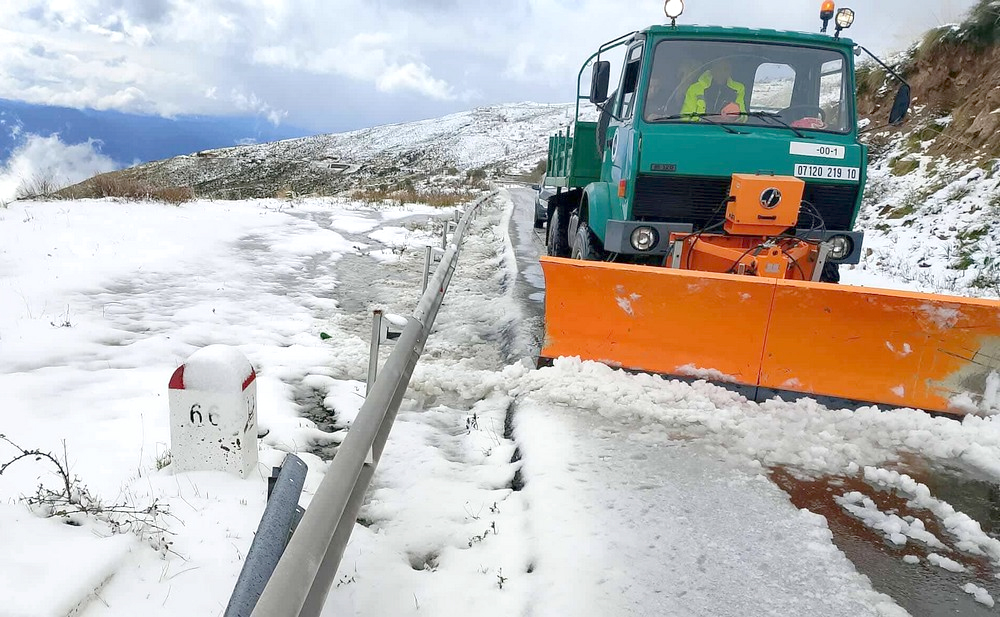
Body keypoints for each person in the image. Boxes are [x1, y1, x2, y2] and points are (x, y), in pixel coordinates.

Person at [680, 60, 746, 120]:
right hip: (699, 130)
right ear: (712, 70)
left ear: (730, 71)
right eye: (718, 68)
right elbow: (685, 118)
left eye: (726, 69)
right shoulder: (695, 88)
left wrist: (736, 115)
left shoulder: (738, 89)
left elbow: (744, 117)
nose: (722, 72)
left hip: (727, 130)